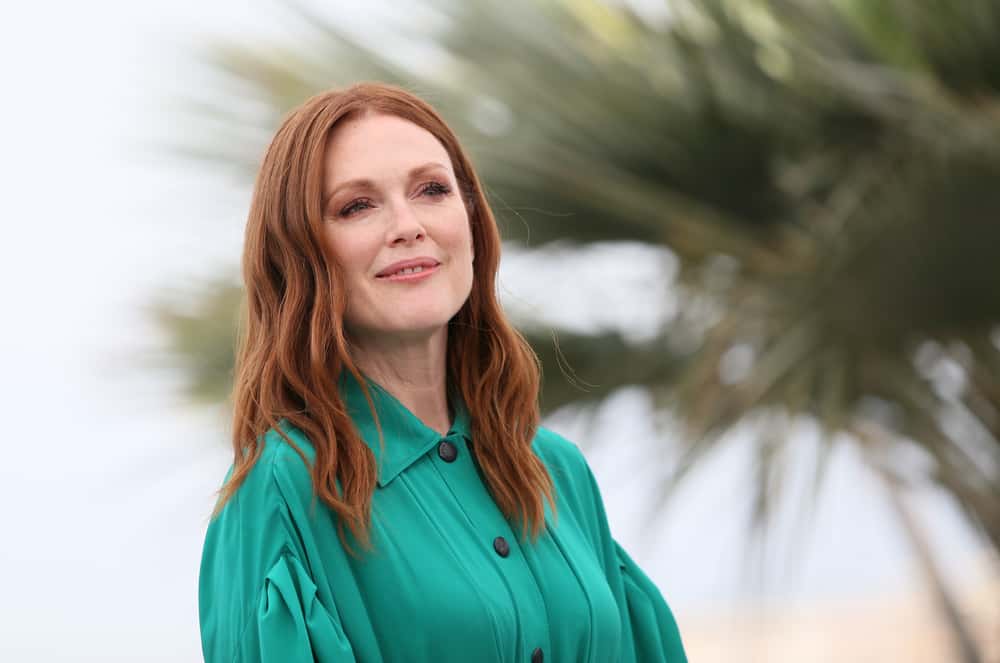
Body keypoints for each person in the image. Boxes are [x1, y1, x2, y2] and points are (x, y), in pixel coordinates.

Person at [198, 81, 688, 663]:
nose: (407, 225)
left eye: (432, 189)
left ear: (473, 223)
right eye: (357, 205)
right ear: (301, 254)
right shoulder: (282, 489)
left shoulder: (556, 470)